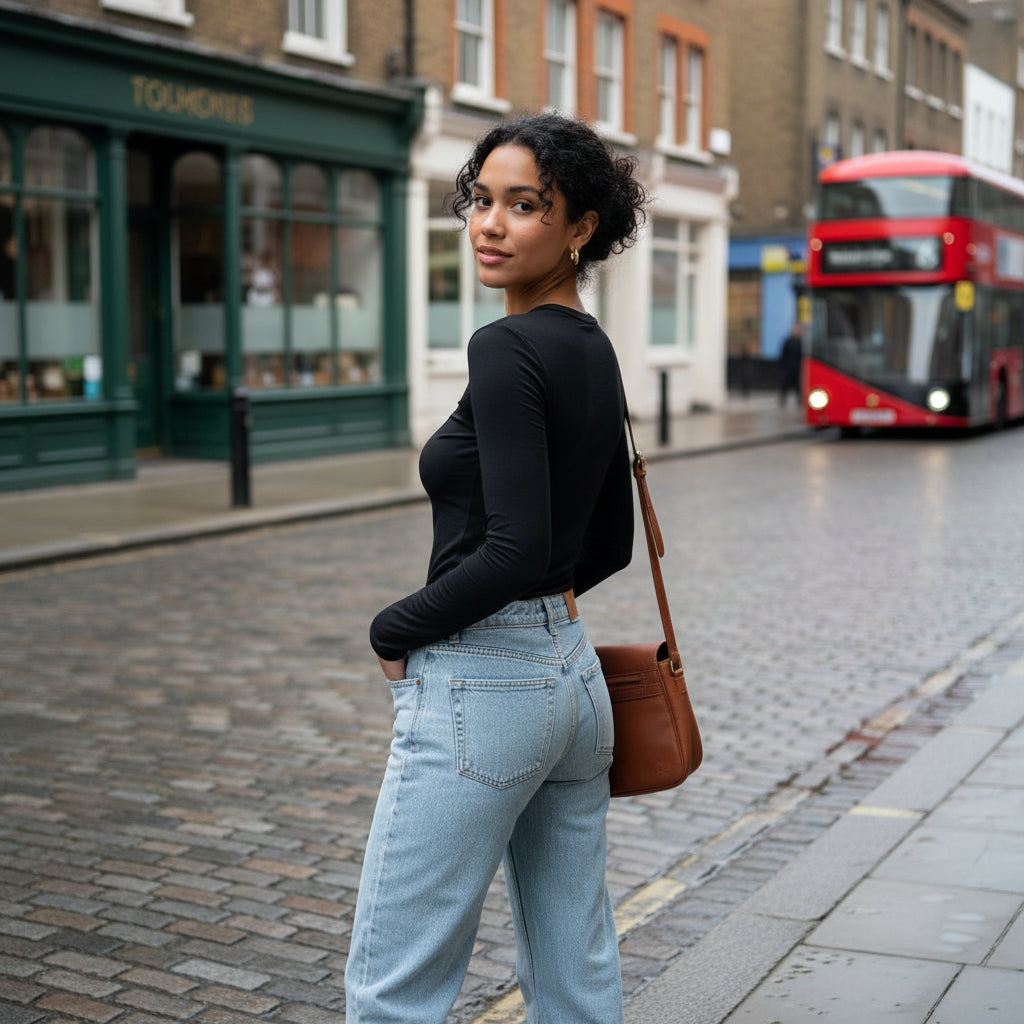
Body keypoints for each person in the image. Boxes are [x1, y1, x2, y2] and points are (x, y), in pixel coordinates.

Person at [344, 113, 648, 1024]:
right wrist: (545, 618)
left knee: (395, 985)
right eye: (481, 200)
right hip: (574, 686)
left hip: (483, 687)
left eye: (525, 205)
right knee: (574, 966)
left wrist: (394, 629)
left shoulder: (506, 345)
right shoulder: (591, 347)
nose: (490, 223)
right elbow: (608, 545)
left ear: (580, 227)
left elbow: (512, 544)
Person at [779, 321, 803, 407]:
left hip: (798, 368)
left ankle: (799, 401)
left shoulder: (801, 342)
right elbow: (783, 354)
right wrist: (783, 366)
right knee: (785, 384)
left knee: (798, 386)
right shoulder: (788, 341)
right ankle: (782, 400)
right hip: (788, 367)